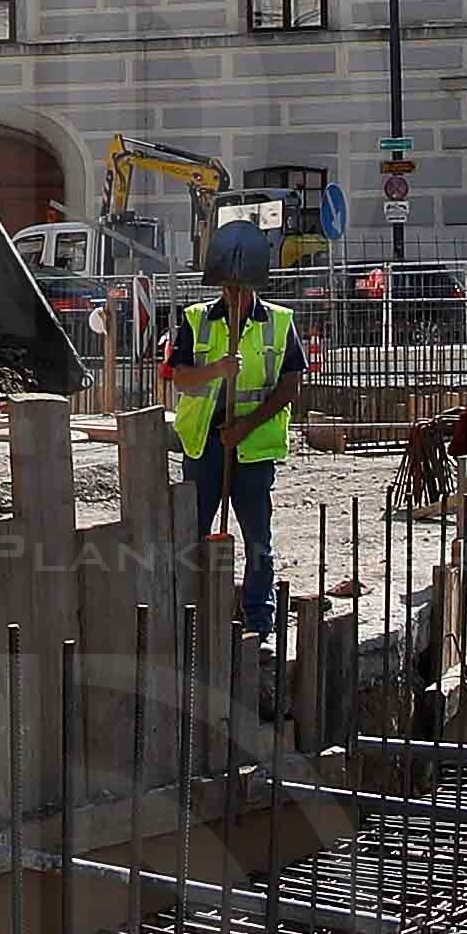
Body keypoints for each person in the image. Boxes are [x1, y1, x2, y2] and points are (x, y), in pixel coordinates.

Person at [162, 224, 308, 646]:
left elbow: (290, 385)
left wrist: (246, 425)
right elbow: (180, 378)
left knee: (257, 537)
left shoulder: (279, 323)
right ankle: (190, 615)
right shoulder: (196, 319)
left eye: (240, 289)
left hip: (253, 446)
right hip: (204, 446)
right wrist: (217, 370)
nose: (233, 296)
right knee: (193, 534)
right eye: (227, 288)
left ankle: (260, 619)